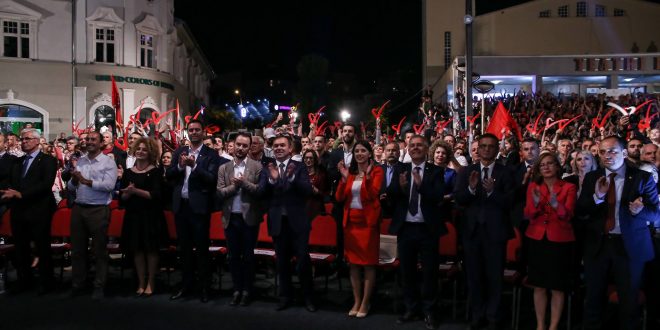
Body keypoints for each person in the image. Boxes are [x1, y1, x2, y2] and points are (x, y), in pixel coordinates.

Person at [577, 136, 659, 330]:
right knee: (593, 298)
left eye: (612, 151)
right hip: (599, 246)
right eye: (603, 151)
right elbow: (580, 210)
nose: (607, 155)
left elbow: (655, 213)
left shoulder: (642, 177)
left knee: (629, 301)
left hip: (629, 247)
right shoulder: (592, 177)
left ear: (624, 153)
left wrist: (640, 212)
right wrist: (598, 197)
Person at [454, 133, 515, 330]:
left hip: (496, 234)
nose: (487, 149)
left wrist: (492, 192)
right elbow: (459, 198)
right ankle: (477, 315)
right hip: (472, 233)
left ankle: (493, 317)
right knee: (474, 276)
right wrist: (472, 190)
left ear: (497, 150)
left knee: (494, 277)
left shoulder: (506, 172)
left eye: (491, 146)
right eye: (483, 146)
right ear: (477, 149)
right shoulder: (466, 171)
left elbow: (510, 202)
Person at [387, 135, 446, 329]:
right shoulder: (400, 168)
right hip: (406, 228)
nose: (415, 148)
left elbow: (438, 197)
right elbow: (391, 196)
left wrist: (421, 186)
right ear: (408, 149)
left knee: (430, 272)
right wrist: (401, 187)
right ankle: (411, 309)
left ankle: (429, 310)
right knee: (407, 272)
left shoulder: (436, 171)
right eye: (412, 145)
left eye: (419, 145)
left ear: (427, 148)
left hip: (427, 229)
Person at [167, 120, 225, 303]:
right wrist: (180, 166)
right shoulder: (179, 152)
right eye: (191, 130)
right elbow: (169, 175)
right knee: (183, 250)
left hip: (199, 208)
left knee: (201, 249)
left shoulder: (210, 154)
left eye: (197, 130)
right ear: (187, 132)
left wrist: (195, 166)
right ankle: (185, 286)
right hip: (181, 206)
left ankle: (205, 288)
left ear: (203, 132)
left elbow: (212, 179)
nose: (193, 132)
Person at [258, 134, 316, 312]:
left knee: (303, 261)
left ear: (290, 148)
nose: (278, 148)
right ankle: (285, 296)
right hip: (277, 222)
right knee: (281, 262)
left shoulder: (299, 167)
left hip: (297, 222)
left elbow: (307, 190)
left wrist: (290, 178)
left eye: (282, 145)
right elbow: (261, 192)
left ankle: (308, 297)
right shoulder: (267, 168)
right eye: (275, 146)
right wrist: (273, 180)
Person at [0, 129, 57, 294]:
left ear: (37, 141)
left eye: (28, 139)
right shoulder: (18, 162)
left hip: (39, 210)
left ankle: (47, 283)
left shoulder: (48, 160)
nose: (24, 141)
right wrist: (11, 193)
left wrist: (22, 194)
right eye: (22, 139)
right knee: (21, 248)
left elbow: (45, 184)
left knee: (42, 247)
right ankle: (25, 281)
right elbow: (12, 182)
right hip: (19, 211)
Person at [524, 153, 577, 330]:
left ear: (557, 166)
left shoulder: (569, 187)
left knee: (557, 287)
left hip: (560, 241)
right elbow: (529, 215)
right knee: (539, 286)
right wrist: (537, 203)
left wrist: (556, 204)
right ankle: (540, 325)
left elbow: (567, 215)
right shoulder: (533, 186)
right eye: (542, 165)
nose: (546, 167)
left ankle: (553, 326)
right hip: (537, 239)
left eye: (550, 164)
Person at [335, 141, 384, 318]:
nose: (360, 153)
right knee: (354, 264)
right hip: (351, 223)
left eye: (363, 150)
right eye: (357, 151)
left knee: (369, 264)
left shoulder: (377, 171)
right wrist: (343, 179)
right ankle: (356, 300)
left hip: (368, 224)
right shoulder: (351, 173)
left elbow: (372, 194)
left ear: (370, 153)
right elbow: (339, 197)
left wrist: (368, 177)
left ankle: (365, 302)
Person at [66, 131, 118, 299]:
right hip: (79, 208)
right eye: (87, 139)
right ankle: (78, 284)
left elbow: (109, 186)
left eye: (93, 139)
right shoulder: (81, 160)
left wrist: (85, 181)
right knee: (78, 250)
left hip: (98, 209)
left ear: (101, 143)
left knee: (99, 250)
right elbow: (71, 188)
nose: (89, 142)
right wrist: (74, 181)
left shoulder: (108, 162)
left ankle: (99, 285)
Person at [216, 133, 264, 307]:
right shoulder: (224, 168)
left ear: (249, 147)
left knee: (248, 256)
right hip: (230, 217)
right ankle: (236, 289)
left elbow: (260, 191)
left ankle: (247, 290)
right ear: (233, 145)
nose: (241, 148)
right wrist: (234, 186)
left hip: (249, 218)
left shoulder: (257, 167)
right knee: (233, 256)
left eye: (245, 145)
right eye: (238, 144)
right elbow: (220, 192)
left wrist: (243, 183)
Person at [118, 137, 165, 297]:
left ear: (150, 152)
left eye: (144, 149)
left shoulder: (156, 171)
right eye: (138, 149)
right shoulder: (128, 172)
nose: (140, 152)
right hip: (133, 216)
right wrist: (127, 193)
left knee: (151, 250)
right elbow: (122, 199)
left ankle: (151, 282)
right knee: (137, 250)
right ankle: (140, 282)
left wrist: (135, 191)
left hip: (150, 216)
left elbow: (157, 195)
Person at [303, 150, 329, 220]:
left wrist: (316, 190)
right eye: (306, 158)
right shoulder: (299, 174)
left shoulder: (321, 175)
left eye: (311, 158)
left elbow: (326, 194)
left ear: (315, 159)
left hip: (316, 207)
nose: (308, 160)